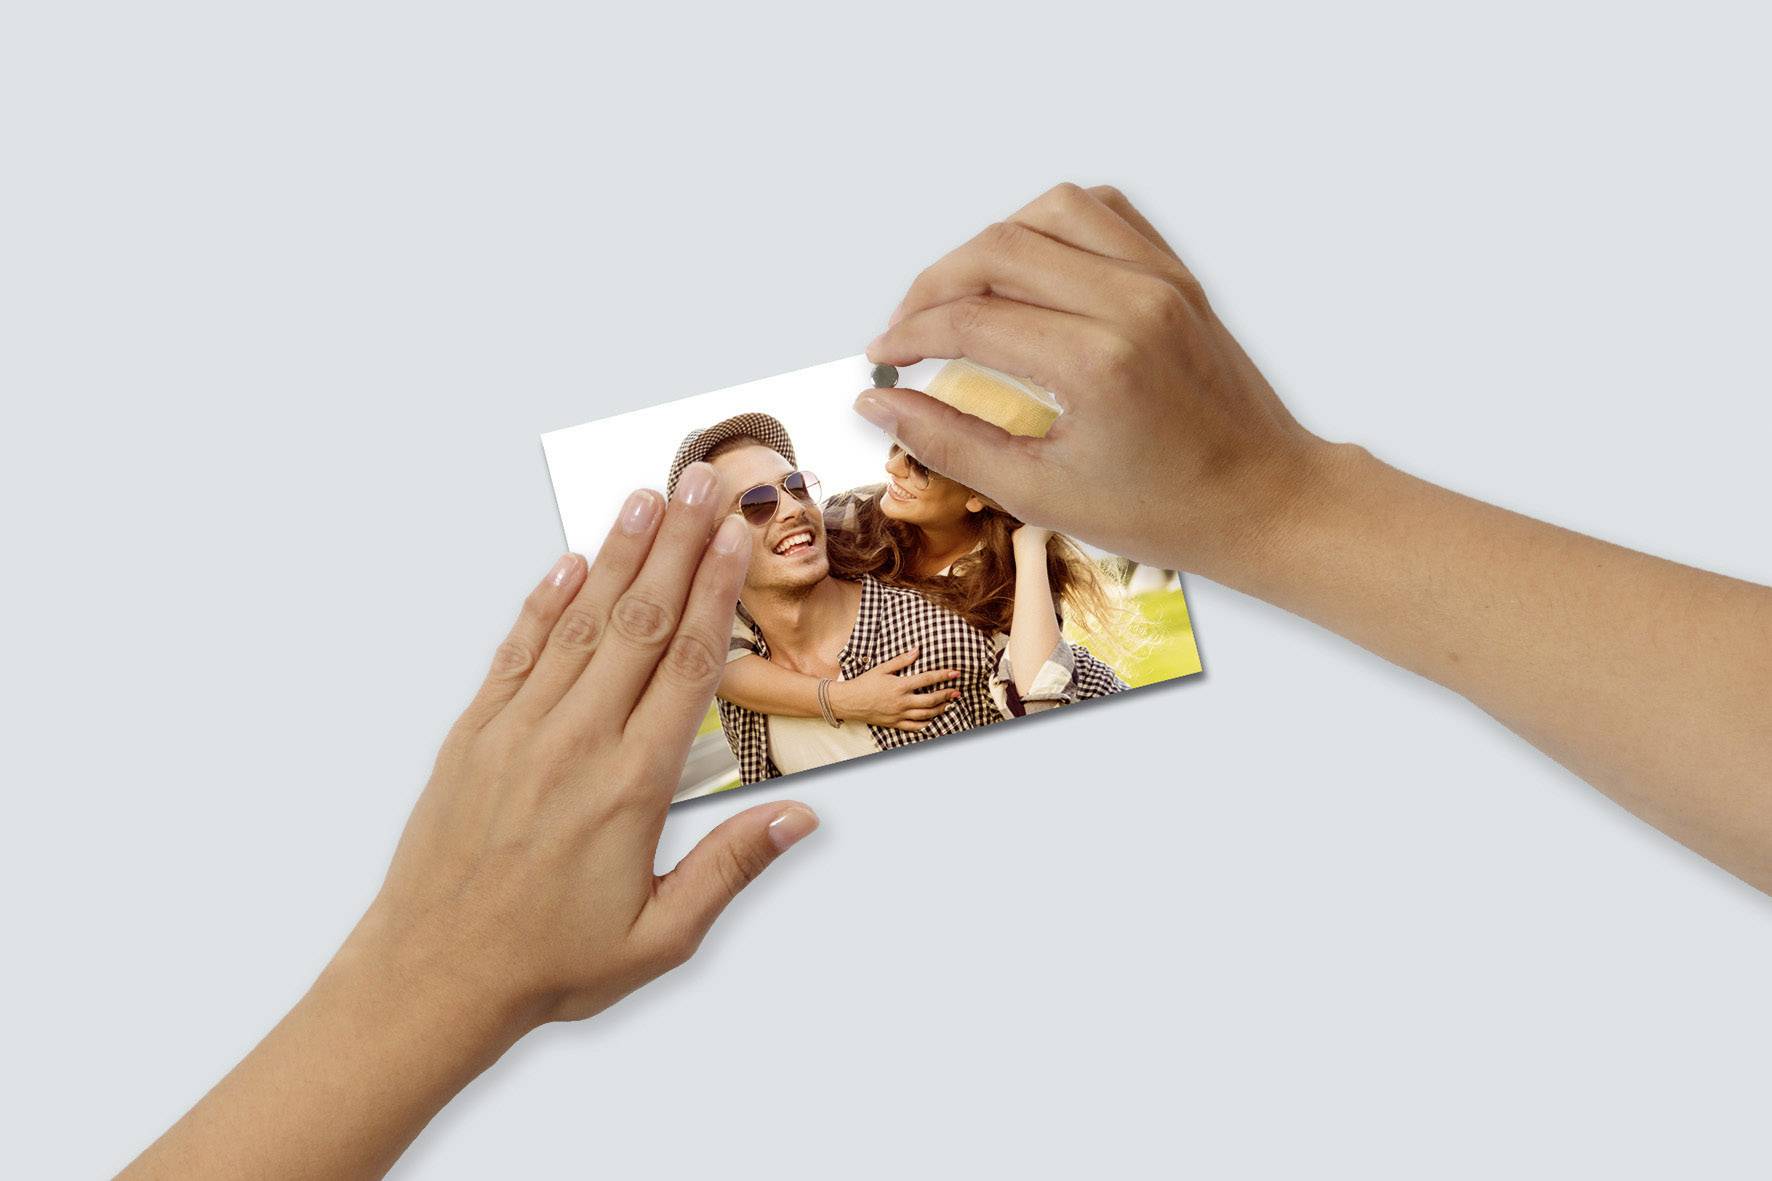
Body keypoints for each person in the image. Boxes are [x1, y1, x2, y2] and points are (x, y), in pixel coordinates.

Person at [124, 182, 1772, 1177]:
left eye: (787, 489)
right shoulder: (685, 717)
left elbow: (1020, 679)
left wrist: (1267, 513)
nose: (775, 515)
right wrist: (431, 978)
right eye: (734, 499)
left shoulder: (913, 633)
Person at [664, 412, 1011, 783]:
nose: (795, 508)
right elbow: (708, 660)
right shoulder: (735, 673)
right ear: (709, 547)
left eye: (796, 486)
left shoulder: (942, 637)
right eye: (756, 504)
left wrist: (1027, 537)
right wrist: (843, 699)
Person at [720, 436, 1128, 732]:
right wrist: (844, 699)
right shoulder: (855, 517)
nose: (893, 468)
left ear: (977, 494)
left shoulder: (1007, 577)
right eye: (898, 447)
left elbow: (1042, 703)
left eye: (921, 466)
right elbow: (720, 653)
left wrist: (1033, 539)